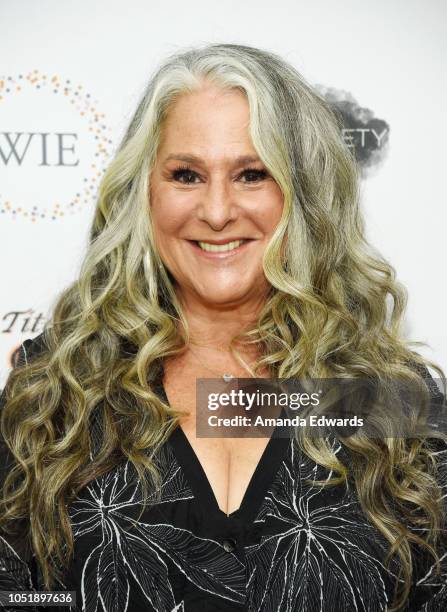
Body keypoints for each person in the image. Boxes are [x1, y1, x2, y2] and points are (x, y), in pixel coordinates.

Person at [0, 43, 446, 612]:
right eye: (186, 174)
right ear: (146, 194)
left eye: (251, 174)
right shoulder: (59, 391)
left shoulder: (388, 397)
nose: (216, 211)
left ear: (302, 196)